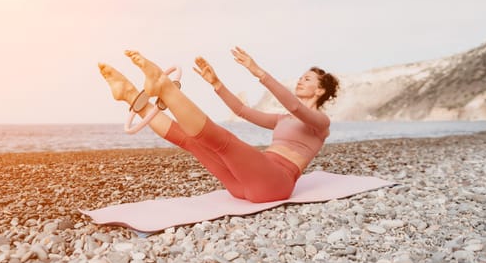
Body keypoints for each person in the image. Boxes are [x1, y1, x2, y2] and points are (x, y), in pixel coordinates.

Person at [98, 47, 339, 203]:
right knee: (190, 142)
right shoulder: (282, 120)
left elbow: (296, 107)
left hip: (276, 184)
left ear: (319, 90)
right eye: (301, 77)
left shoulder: (321, 124)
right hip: (243, 185)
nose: (300, 80)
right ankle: (131, 96)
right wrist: (216, 83)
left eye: (307, 79)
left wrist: (257, 71)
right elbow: (240, 110)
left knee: (223, 142)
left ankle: (164, 87)